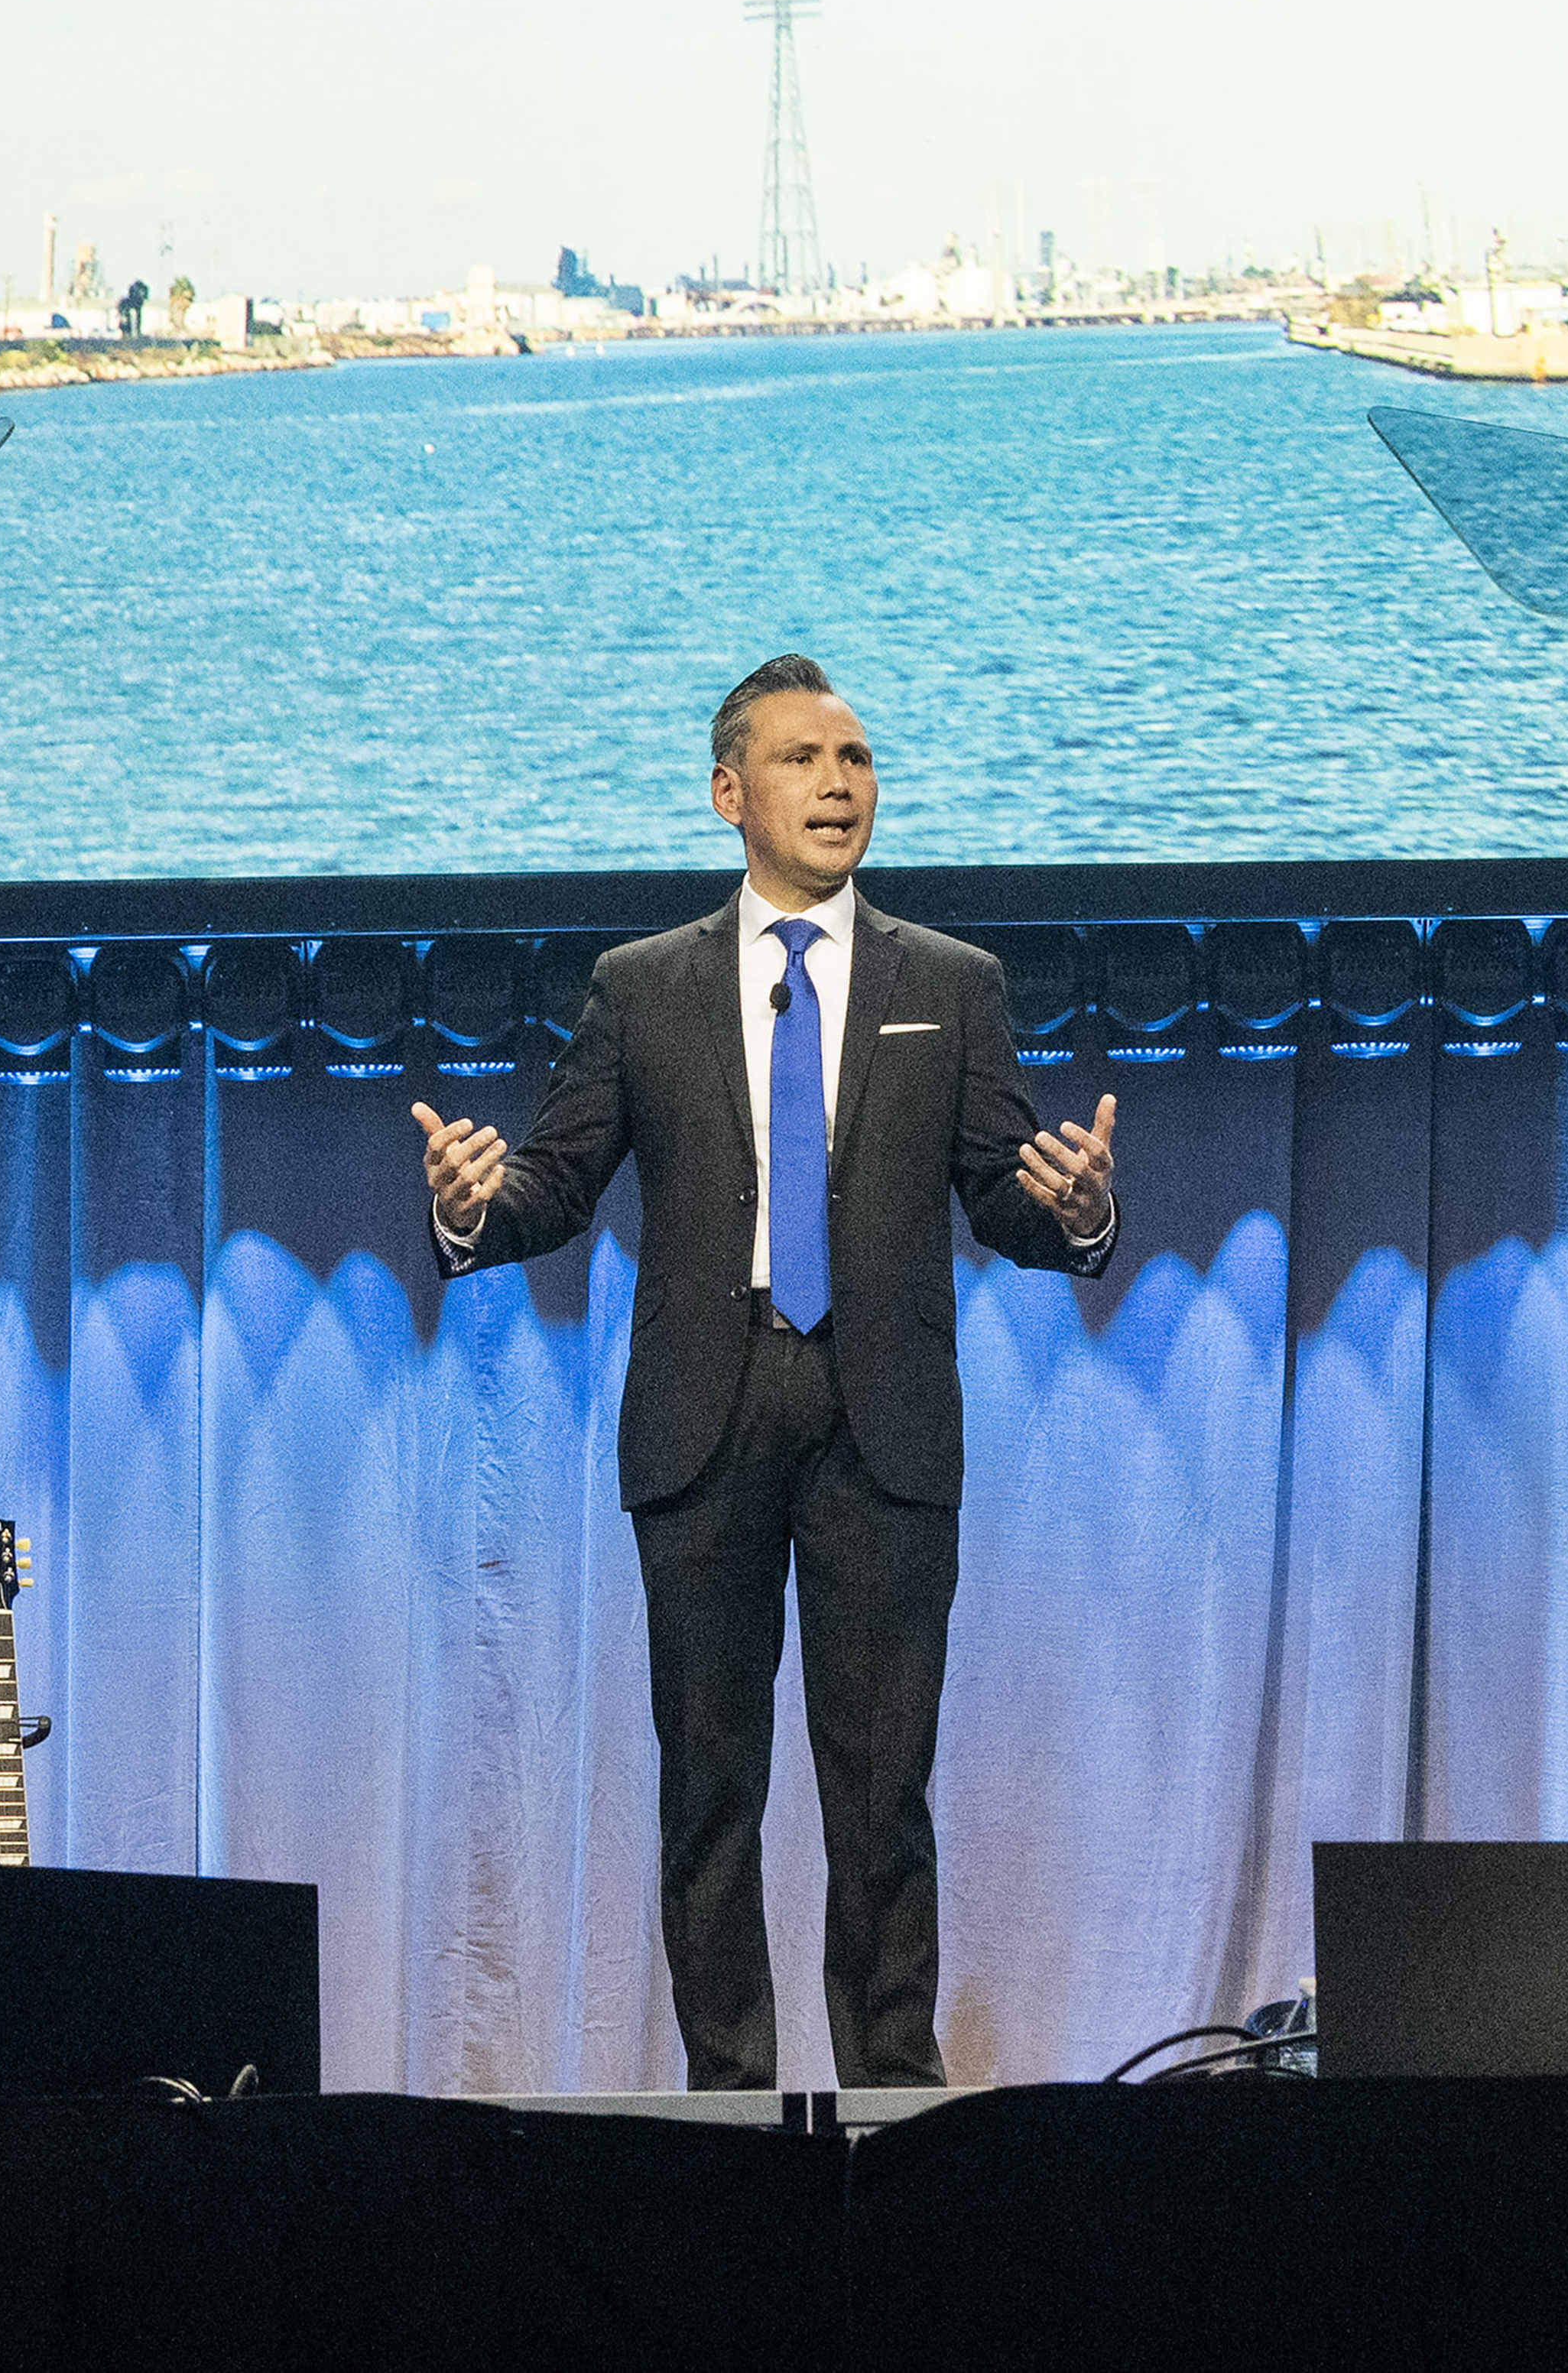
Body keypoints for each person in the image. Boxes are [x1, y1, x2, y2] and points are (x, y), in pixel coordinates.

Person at [413, 654, 1120, 2090]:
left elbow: (1001, 1190)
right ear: (731, 791)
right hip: (704, 1420)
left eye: (857, 757)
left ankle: (892, 2099)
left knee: (884, 1802)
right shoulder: (642, 988)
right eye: (806, 758)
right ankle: (730, 2106)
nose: (842, 781)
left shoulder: (954, 983)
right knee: (710, 1795)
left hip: (887, 1428)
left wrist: (1076, 1208)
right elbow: (558, 1182)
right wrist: (471, 1202)